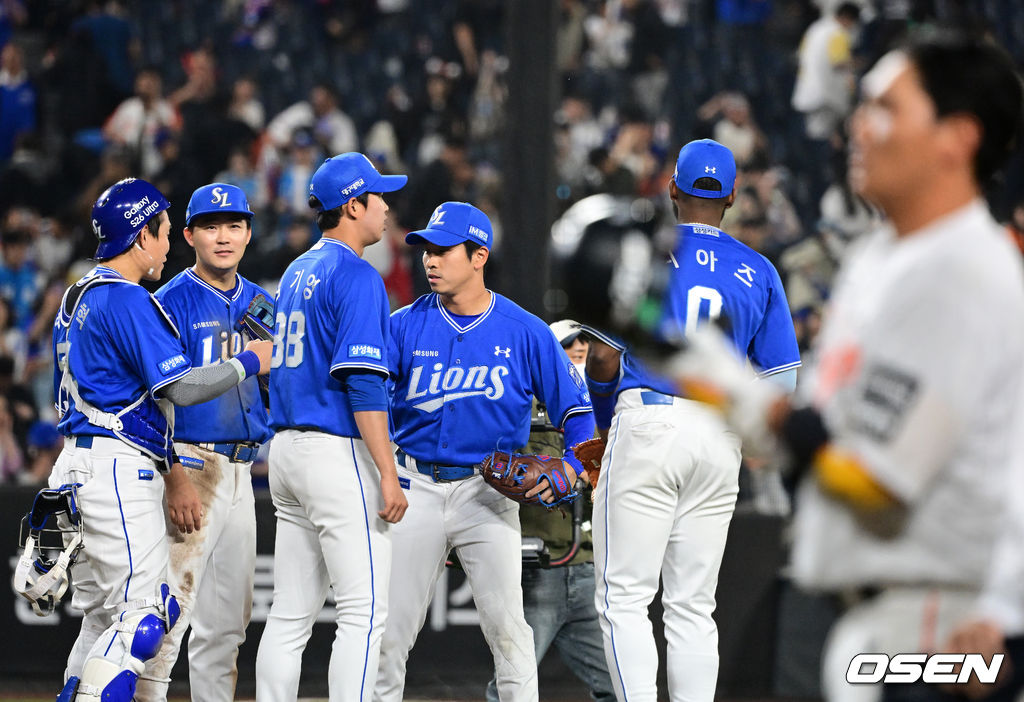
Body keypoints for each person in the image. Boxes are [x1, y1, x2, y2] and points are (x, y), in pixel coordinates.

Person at [766, 33, 1024, 702]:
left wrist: (758, 410)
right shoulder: (878, 258)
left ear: (957, 138)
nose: (858, 126)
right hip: (867, 608)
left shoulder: (963, 273)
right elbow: (825, 430)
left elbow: (880, 477)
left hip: (940, 621)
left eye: (885, 107)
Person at [39, 177, 272, 702]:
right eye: (199, 228)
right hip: (154, 463)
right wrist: (247, 361)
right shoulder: (141, 299)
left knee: (120, 620)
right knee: (150, 618)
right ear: (150, 235)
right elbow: (175, 392)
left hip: (109, 458)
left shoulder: (85, 292)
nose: (222, 236)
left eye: (234, 225)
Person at [584, 138, 801, 702]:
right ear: (731, 196)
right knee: (693, 606)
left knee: (624, 598)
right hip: (718, 436)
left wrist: (605, 423)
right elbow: (782, 380)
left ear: (672, 188)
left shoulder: (645, 254)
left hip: (650, 423)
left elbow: (603, 356)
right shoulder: (760, 270)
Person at [373, 202, 596, 702]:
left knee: (510, 632)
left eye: (443, 250)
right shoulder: (402, 325)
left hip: (487, 493)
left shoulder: (525, 330)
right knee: (389, 634)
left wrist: (572, 466)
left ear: (479, 256)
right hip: (415, 487)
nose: (430, 260)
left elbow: (579, 413)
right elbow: (367, 402)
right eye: (426, 250)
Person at [255, 153, 409, 702]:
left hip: (286, 451)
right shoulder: (358, 275)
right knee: (364, 613)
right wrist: (388, 472)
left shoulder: (297, 270)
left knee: (289, 613)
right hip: (335, 452)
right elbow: (364, 386)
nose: (386, 207)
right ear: (353, 205)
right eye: (379, 196)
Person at [133, 183, 273, 702]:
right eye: (211, 227)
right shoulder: (168, 302)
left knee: (227, 626)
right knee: (168, 615)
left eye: (234, 225)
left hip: (242, 469)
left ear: (249, 233)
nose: (224, 236)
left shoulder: (263, 302)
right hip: (190, 463)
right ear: (189, 235)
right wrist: (173, 475)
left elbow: (276, 389)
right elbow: (154, 400)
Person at [484, 319, 615, 702]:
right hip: (538, 570)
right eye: (569, 346)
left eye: (586, 345)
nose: (580, 350)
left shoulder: (607, 412)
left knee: (620, 684)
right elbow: (501, 469)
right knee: (511, 687)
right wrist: (556, 472)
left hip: (589, 568)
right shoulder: (517, 408)